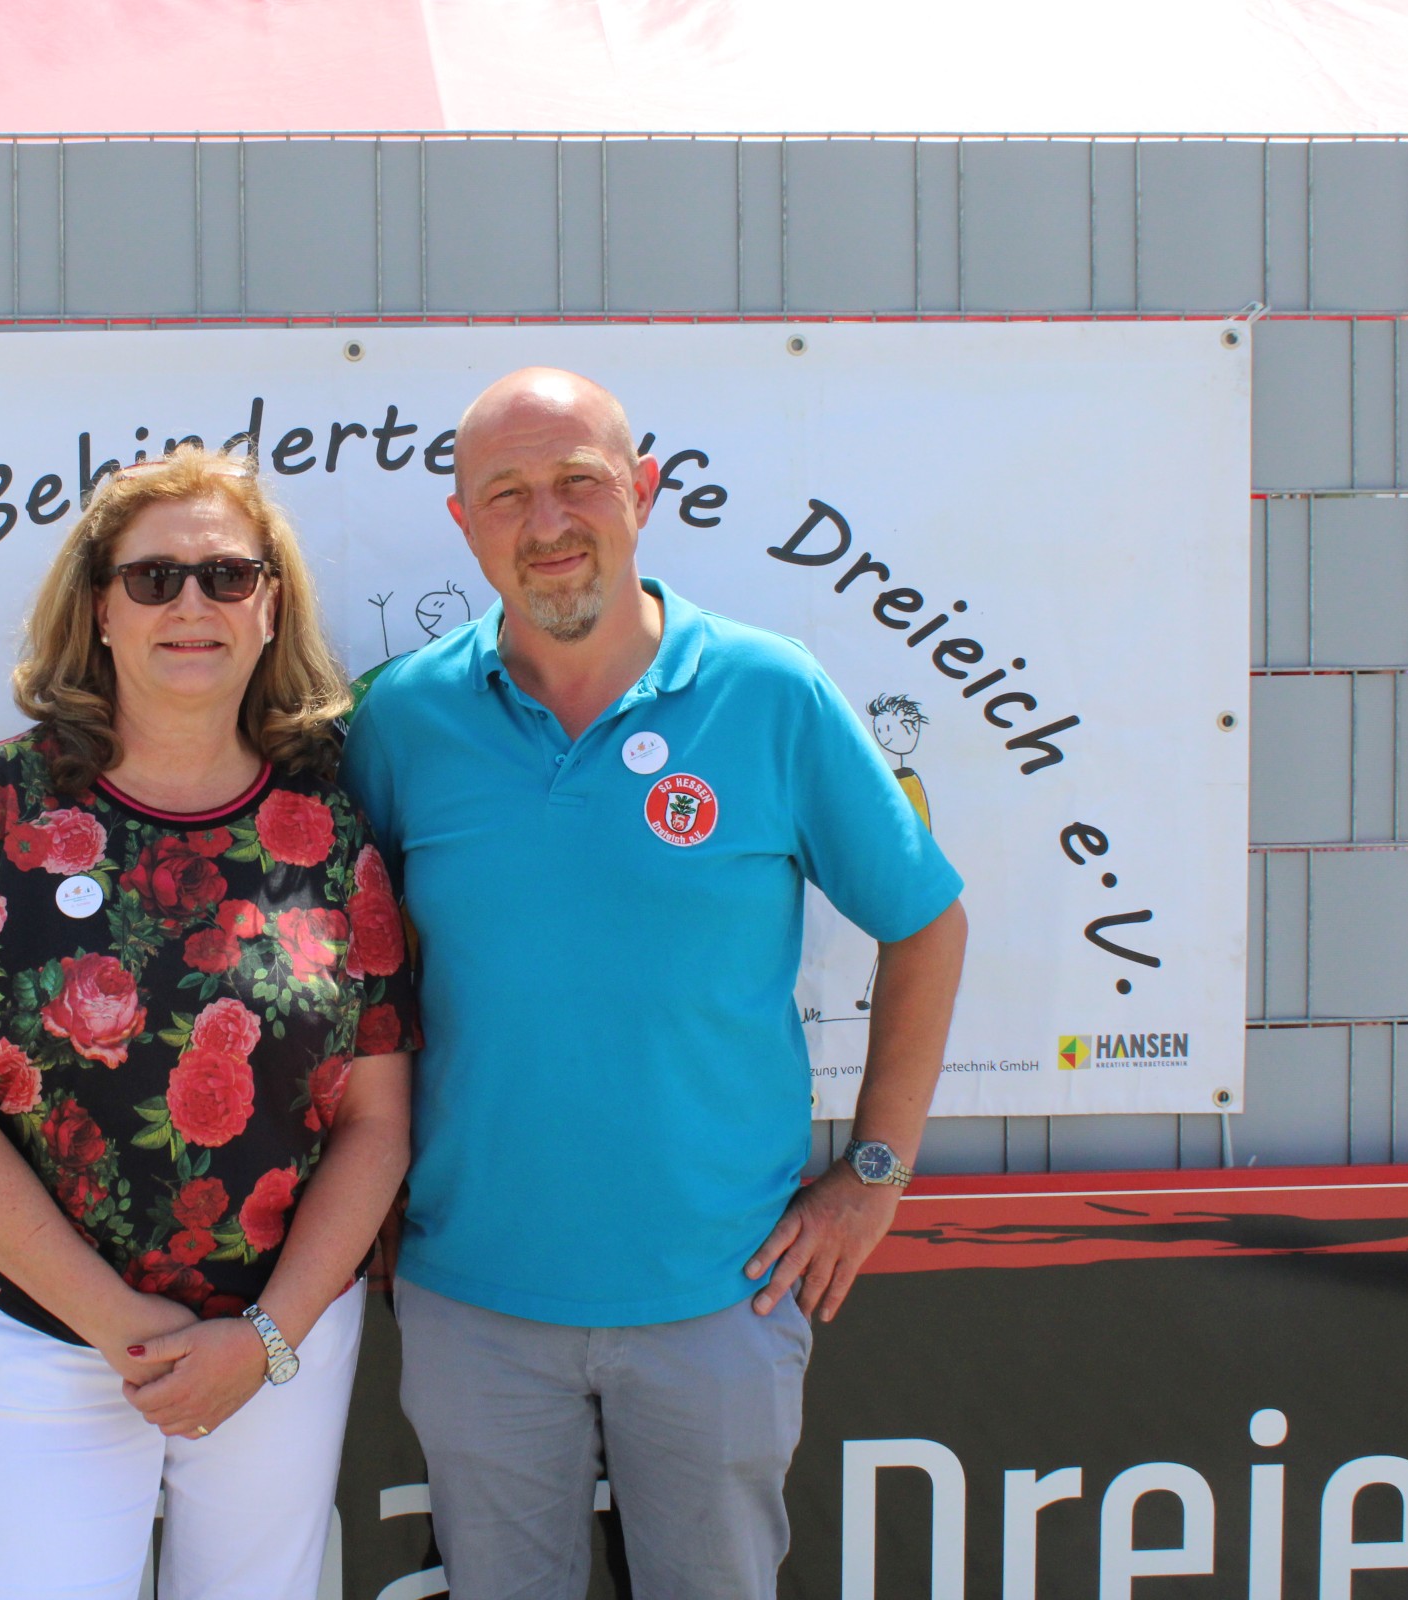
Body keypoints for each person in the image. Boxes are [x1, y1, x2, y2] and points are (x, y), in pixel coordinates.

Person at [342, 368, 967, 1600]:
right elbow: (356, 971)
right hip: (472, 1296)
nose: (548, 522)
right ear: (464, 523)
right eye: (507, 493)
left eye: (579, 481)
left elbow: (926, 921)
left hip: (720, 1296)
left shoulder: (770, 692)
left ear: (643, 491)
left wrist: (875, 1173)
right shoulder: (405, 720)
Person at [0, 448, 419, 1600]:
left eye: (228, 575)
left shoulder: (332, 828)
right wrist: (119, 1323)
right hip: (41, 1333)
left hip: (277, 1343)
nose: (191, 603)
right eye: (152, 577)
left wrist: (265, 1336)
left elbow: (378, 1122)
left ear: (270, 608)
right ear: (99, 608)